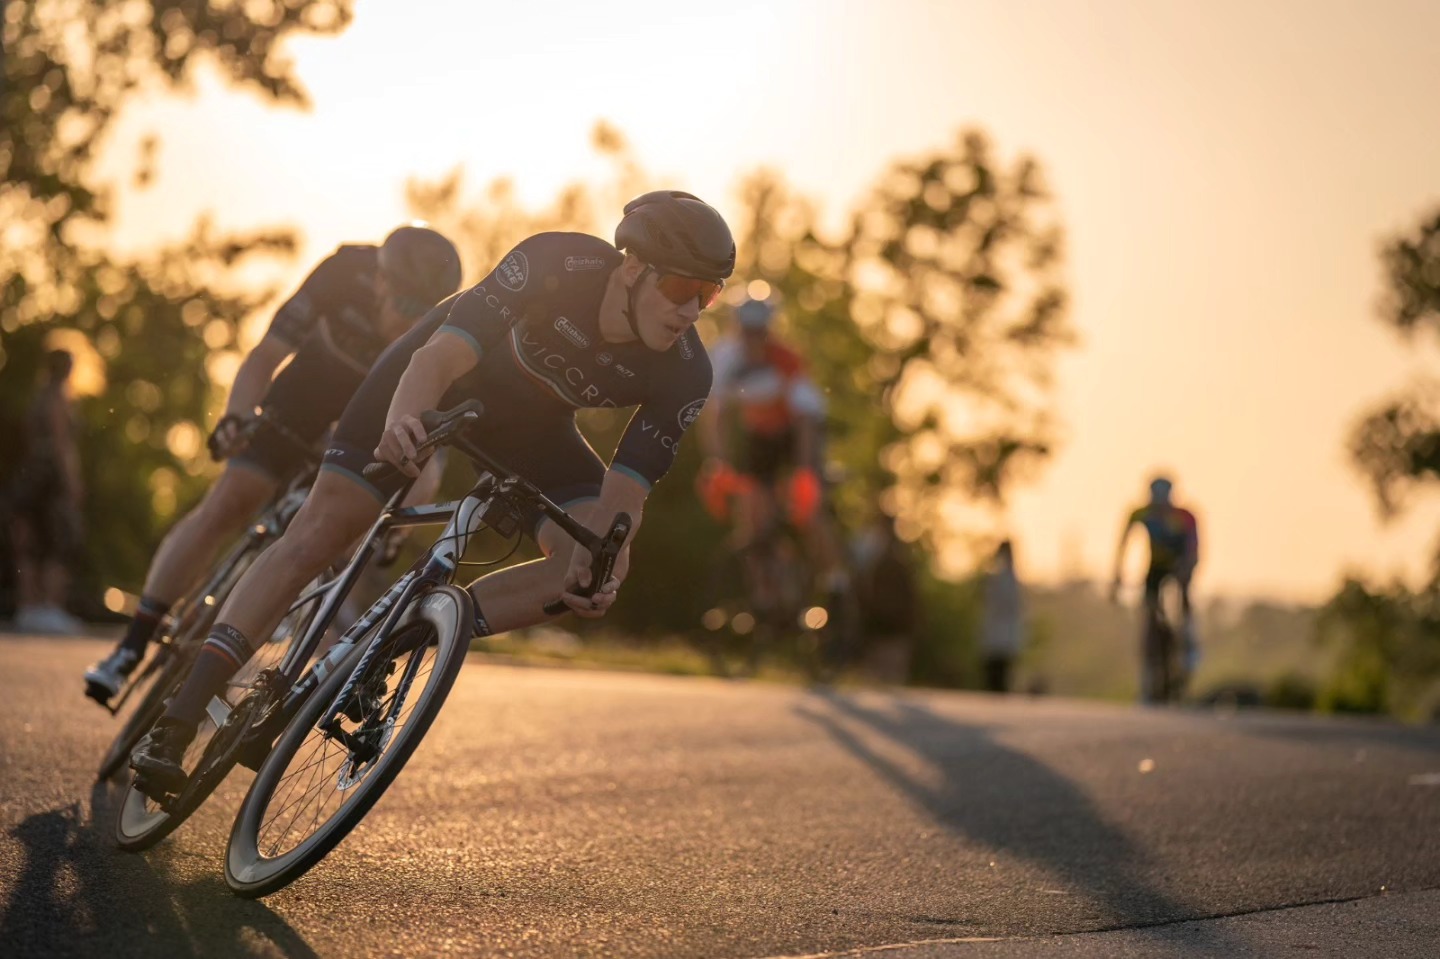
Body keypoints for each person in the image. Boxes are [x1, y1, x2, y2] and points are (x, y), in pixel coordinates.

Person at [129, 191, 735, 795]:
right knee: (323, 530)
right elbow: (441, 356)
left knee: (588, 566)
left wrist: (605, 562)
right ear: (632, 268)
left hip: (535, 432)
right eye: (683, 288)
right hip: (432, 381)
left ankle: (417, 633)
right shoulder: (555, 263)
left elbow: (625, 497)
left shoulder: (686, 371)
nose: (692, 311)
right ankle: (179, 719)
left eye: (709, 296)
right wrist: (405, 424)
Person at [82, 225, 463, 702]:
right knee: (231, 499)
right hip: (306, 393)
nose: (405, 322)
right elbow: (265, 357)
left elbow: (430, 455)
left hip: (370, 418)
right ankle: (132, 644)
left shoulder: (447, 326)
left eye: (419, 313)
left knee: (338, 539)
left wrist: (397, 529)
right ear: (379, 281)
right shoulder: (345, 272)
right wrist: (237, 417)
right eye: (403, 306)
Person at [697, 296, 849, 612]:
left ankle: (836, 582)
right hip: (760, 435)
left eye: (759, 332)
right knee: (751, 514)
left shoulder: (786, 360)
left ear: (769, 331)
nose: (753, 338)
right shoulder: (726, 357)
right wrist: (717, 463)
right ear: (737, 329)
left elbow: (806, 421)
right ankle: (767, 594)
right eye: (747, 331)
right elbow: (716, 416)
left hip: (797, 434)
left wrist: (805, 472)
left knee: (808, 511)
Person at [7, 349, 85, 634]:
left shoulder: (37, 397)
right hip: (51, 479)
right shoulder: (58, 399)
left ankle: (28, 608)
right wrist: (72, 480)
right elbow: (62, 442)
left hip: (30, 476)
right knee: (58, 540)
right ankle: (50, 608)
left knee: (29, 542)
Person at [1110, 474, 1201, 669]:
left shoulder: (1184, 516)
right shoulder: (1141, 514)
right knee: (1149, 606)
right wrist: (1117, 575)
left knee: (1184, 596)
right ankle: (1150, 657)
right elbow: (1123, 546)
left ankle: (1189, 641)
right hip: (1156, 565)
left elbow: (1193, 548)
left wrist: (1186, 569)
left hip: (1180, 564)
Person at [980, 539, 1024, 693]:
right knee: (994, 664)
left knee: (1002, 665)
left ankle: (999, 691)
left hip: (1004, 627)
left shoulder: (1009, 578)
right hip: (997, 626)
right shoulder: (998, 576)